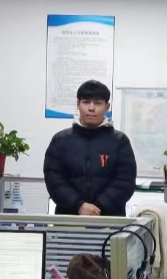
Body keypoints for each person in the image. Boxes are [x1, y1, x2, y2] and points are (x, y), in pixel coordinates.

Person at [44, 80, 137, 217]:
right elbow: (54, 180)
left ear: (107, 107)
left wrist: (98, 207)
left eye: (98, 103)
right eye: (86, 102)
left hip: (109, 220)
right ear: (78, 104)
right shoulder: (60, 140)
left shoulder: (119, 141)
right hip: (69, 220)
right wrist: (79, 205)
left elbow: (125, 181)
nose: (91, 108)